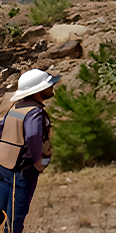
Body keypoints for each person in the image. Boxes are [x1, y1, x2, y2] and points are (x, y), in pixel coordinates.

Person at [1, 68, 58, 233]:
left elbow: (1, 129)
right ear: (38, 91)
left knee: (4, 212)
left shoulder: (17, 107)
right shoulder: (35, 112)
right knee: (15, 218)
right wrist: (37, 162)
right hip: (22, 171)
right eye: (48, 85)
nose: (51, 88)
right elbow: (33, 136)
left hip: (5, 166)